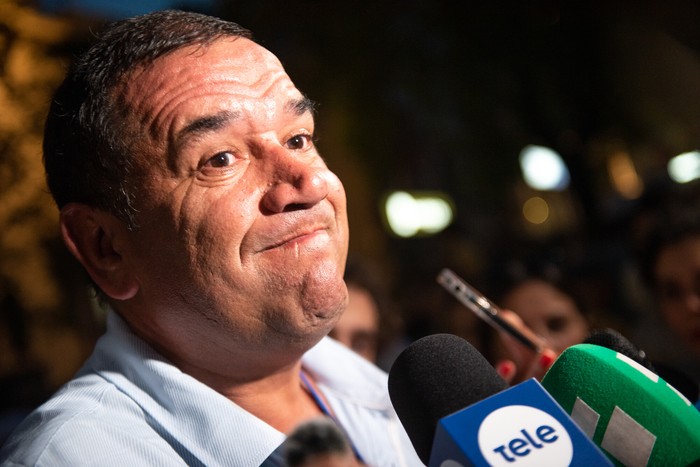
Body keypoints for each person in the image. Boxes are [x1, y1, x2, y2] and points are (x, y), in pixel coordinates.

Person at [0, 10, 422, 466]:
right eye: (220, 159)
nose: (309, 183)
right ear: (106, 248)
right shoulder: (76, 457)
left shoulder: (388, 395)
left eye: (298, 139)